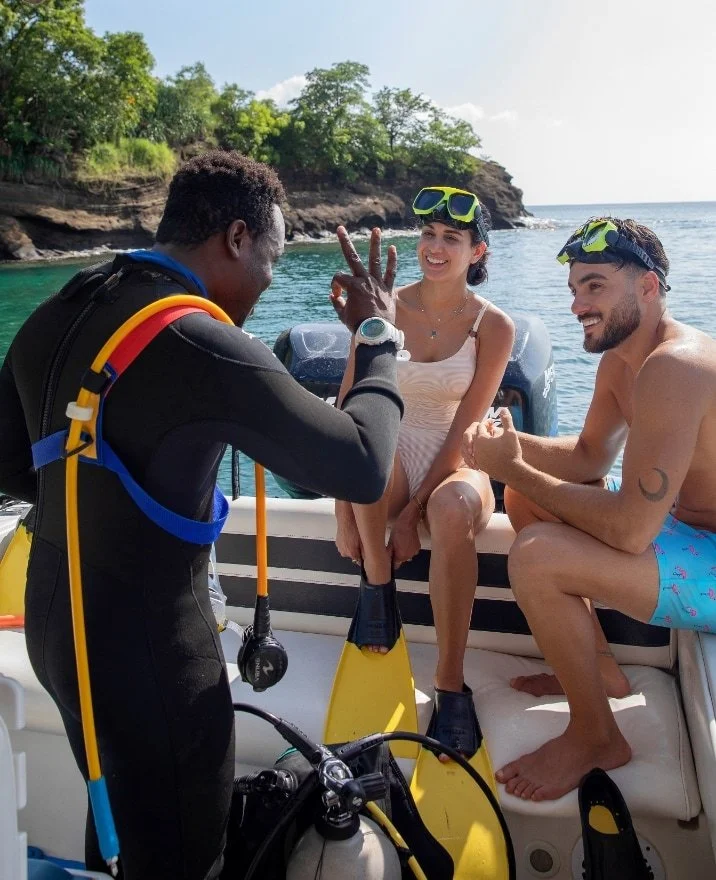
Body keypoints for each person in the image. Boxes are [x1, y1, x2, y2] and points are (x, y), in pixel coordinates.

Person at [0, 150, 406, 879]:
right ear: (238, 237)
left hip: (61, 635)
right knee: (184, 855)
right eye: (271, 264)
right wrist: (377, 336)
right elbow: (361, 465)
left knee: (117, 818)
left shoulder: (60, 309)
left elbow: (9, 467)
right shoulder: (199, 340)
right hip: (156, 661)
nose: (264, 286)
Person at [461, 216, 716, 801]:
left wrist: (511, 469)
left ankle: (598, 734)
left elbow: (630, 530)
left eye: (595, 285)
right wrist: (504, 447)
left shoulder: (678, 365)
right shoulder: (621, 363)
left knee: (538, 556)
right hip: (686, 535)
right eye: (575, 289)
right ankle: (600, 669)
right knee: (527, 497)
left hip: (708, 561)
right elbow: (585, 456)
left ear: (648, 288)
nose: (578, 304)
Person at [333, 185, 515, 756]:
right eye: (429, 235)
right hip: (392, 446)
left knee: (453, 508)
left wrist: (411, 514)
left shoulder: (494, 326)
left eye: (452, 238)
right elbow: (353, 405)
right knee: (375, 450)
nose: (435, 247)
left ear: (477, 252)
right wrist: (345, 513)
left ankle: (450, 683)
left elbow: (467, 427)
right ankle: (378, 590)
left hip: (457, 453)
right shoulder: (385, 306)